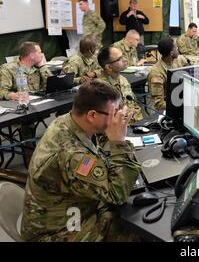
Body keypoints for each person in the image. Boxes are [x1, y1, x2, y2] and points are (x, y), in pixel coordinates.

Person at [21, 80, 141, 241]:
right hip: (57, 232)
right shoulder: (72, 155)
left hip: (71, 211)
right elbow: (117, 194)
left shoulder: (69, 121)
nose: (115, 119)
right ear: (91, 115)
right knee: (135, 231)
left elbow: (97, 156)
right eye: (112, 114)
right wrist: (119, 143)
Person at [0, 42, 53, 167]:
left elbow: (51, 85)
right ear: (31, 55)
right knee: (27, 123)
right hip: (19, 108)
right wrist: (12, 95)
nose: (42, 54)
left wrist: (43, 67)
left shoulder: (37, 68)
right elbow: (1, 90)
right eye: (39, 52)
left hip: (38, 104)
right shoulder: (9, 69)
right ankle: (31, 163)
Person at [96, 46, 143, 123]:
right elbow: (109, 119)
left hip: (133, 125)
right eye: (119, 59)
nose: (124, 59)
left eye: (123, 56)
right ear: (109, 67)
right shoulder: (101, 88)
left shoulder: (123, 80)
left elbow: (134, 106)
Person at [148, 37, 189, 111]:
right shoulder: (156, 73)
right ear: (171, 53)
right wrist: (180, 106)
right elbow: (159, 104)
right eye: (176, 47)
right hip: (168, 108)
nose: (177, 49)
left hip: (180, 99)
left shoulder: (177, 61)